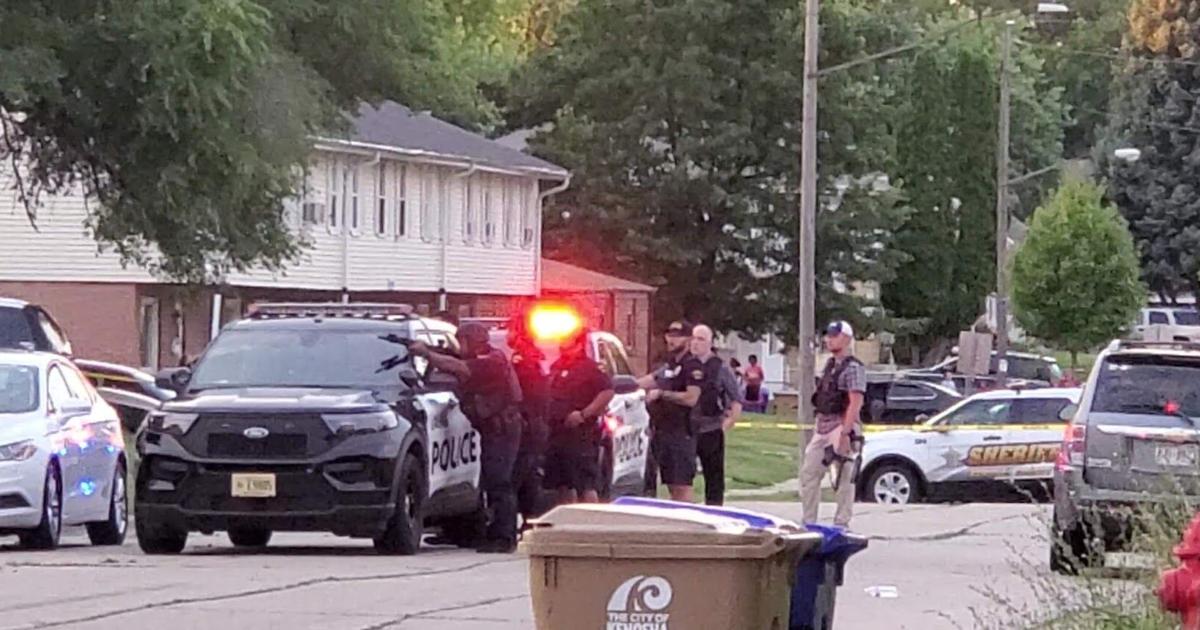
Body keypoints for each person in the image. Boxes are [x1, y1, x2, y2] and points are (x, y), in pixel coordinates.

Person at [411, 323, 523, 553]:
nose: (459, 346)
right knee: (489, 481)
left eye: (461, 341)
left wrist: (427, 354)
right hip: (494, 430)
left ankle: (504, 537)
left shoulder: (491, 361)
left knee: (499, 482)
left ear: (472, 341)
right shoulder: (486, 358)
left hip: (502, 430)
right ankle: (482, 533)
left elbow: (460, 368)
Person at [800, 320, 866, 528]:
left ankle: (841, 523)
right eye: (828, 335)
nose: (829, 340)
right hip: (823, 424)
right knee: (809, 473)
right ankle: (808, 522)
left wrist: (846, 434)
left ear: (846, 339)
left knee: (844, 478)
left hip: (842, 424)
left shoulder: (853, 367)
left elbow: (855, 402)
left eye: (834, 336)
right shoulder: (829, 365)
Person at [544, 328, 615, 504]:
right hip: (556, 433)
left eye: (566, 339)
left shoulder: (589, 368)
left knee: (586, 483)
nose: (561, 343)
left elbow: (607, 392)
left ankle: (590, 519)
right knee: (563, 484)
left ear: (578, 344)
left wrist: (584, 414)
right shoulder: (557, 366)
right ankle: (568, 517)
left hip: (581, 435)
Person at [637, 320, 704, 502]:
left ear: (689, 339)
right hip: (664, 431)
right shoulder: (671, 365)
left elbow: (691, 398)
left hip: (682, 433)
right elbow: (648, 380)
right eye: (669, 335)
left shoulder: (693, 366)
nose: (671, 340)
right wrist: (617, 385)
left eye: (677, 336)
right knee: (671, 485)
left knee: (681, 485)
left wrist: (662, 394)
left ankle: (685, 518)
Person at [689, 325, 742, 506]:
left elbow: (736, 399)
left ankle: (714, 509)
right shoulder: (685, 365)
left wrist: (726, 424)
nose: (695, 343)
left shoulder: (720, 367)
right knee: (683, 476)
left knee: (714, 477)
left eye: (701, 339)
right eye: (693, 338)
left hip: (711, 428)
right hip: (687, 429)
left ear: (710, 343)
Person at [507, 315, 550, 524]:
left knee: (519, 476)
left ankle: (523, 521)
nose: (508, 334)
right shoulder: (534, 357)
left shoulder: (523, 360)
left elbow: (522, 392)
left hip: (528, 424)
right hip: (536, 422)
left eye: (511, 329)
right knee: (529, 475)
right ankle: (529, 520)